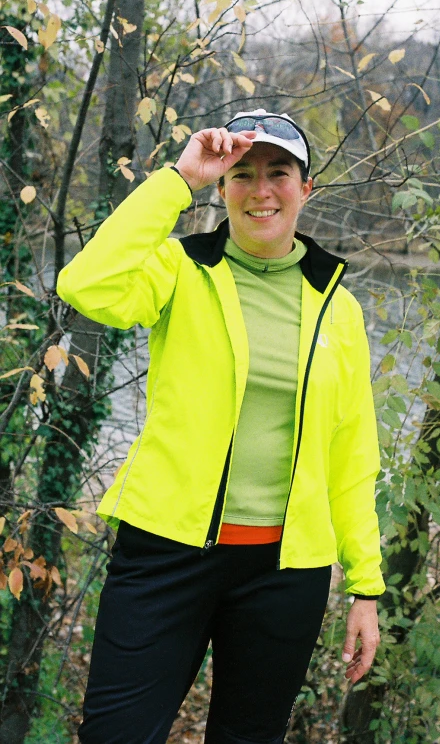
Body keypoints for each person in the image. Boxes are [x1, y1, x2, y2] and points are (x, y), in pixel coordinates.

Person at [57, 108, 385, 744]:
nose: (261, 190)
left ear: (305, 187)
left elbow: (352, 450)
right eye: (241, 174)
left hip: (285, 573)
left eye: (279, 173)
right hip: (164, 553)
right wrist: (178, 180)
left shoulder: (338, 307)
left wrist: (365, 587)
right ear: (222, 187)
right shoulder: (180, 269)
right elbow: (86, 284)